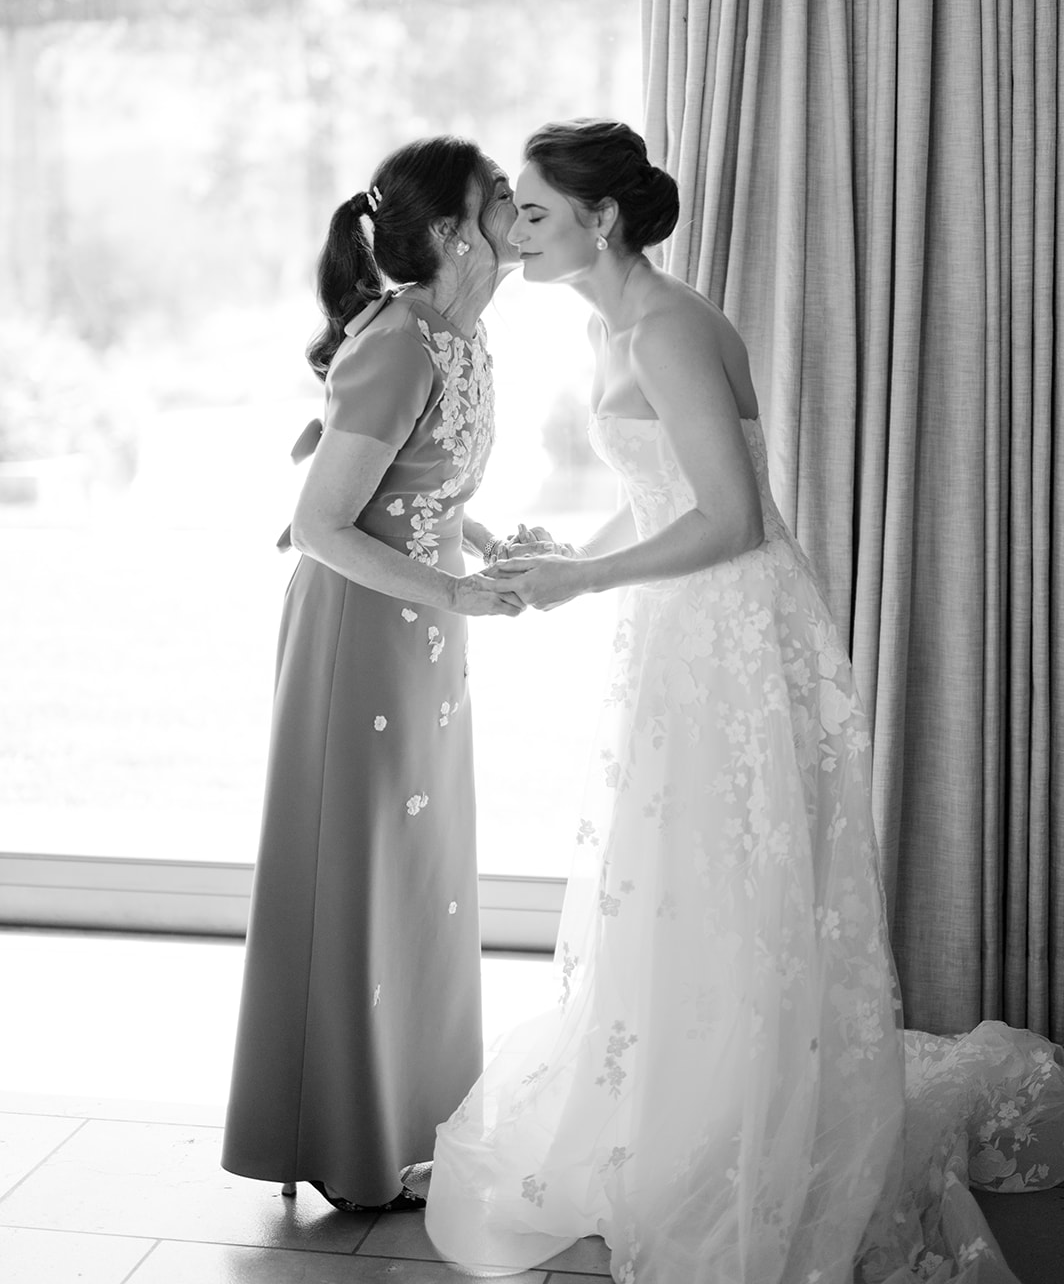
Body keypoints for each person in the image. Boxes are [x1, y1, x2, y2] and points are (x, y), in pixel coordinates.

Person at [424, 120, 1064, 1283]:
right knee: (677, 877)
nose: (508, 234)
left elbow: (729, 519)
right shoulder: (612, 328)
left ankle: (750, 1133)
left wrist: (585, 579)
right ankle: (689, 1107)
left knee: (732, 878)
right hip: (680, 630)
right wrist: (565, 556)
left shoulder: (667, 329)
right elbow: (664, 495)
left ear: (598, 219)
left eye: (529, 212)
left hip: (733, 634)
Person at [222, 135, 526, 1216]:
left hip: (424, 638)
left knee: (421, 876)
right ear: (450, 232)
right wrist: (452, 592)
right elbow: (318, 526)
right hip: (362, 639)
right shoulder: (398, 344)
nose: (519, 203)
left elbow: (415, 485)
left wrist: (480, 543)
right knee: (362, 875)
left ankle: (414, 1129)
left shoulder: (468, 338)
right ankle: (346, 1139)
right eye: (499, 194)